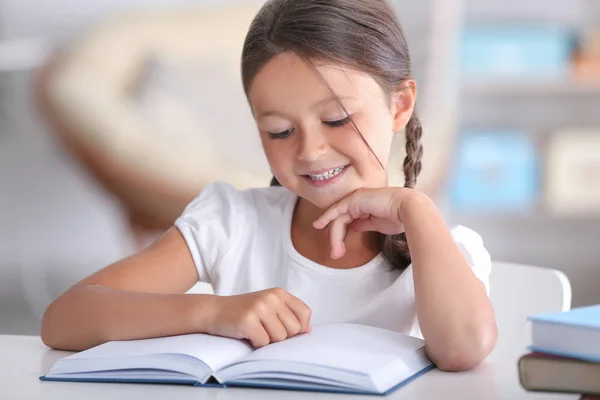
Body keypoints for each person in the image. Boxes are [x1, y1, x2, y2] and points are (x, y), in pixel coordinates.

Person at [40, 0, 497, 372]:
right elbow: (64, 319)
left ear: (400, 105)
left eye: (337, 119)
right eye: (279, 131)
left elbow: (463, 349)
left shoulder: (439, 247)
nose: (311, 151)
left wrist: (416, 211)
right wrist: (212, 313)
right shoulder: (233, 222)